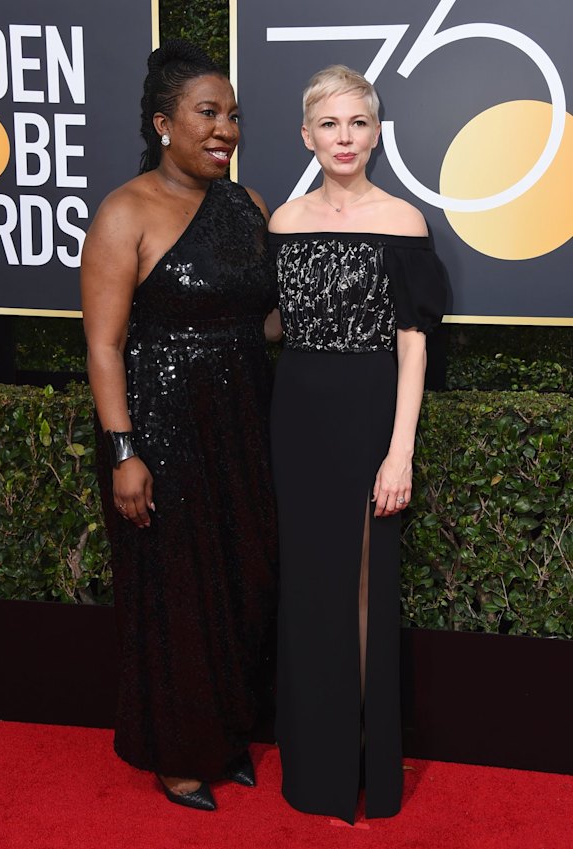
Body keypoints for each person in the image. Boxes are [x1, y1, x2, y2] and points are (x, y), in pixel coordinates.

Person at [81, 39, 278, 812]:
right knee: (177, 592)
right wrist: (124, 448)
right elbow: (102, 343)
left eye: (231, 114)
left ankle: (227, 735)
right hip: (162, 428)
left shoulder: (248, 205)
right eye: (207, 113)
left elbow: (256, 322)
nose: (224, 127)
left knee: (239, 581)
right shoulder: (125, 210)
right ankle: (177, 753)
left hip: (245, 423)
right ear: (164, 123)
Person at [269, 65, 447, 823]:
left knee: (365, 586)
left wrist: (400, 447)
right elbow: (275, 320)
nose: (345, 139)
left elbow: (414, 342)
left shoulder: (403, 220)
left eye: (359, 124)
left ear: (377, 133)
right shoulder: (281, 220)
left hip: (372, 406)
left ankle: (363, 767)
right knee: (308, 588)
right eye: (330, 125)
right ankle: (314, 766)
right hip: (297, 411)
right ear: (306, 134)